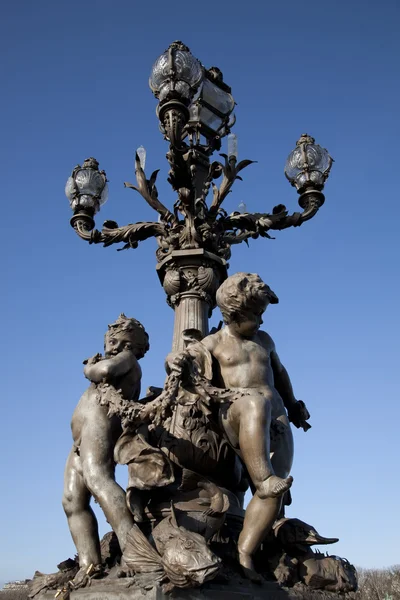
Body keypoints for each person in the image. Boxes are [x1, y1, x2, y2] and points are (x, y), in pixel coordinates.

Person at [179, 273, 310, 582]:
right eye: (256, 315)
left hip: (275, 420)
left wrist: (293, 406)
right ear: (234, 315)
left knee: (274, 492)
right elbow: (191, 369)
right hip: (239, 415)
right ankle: (262, 479)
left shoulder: (264, 341)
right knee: (254, 403)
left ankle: (248, 553)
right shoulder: (212, 344)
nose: (261, 322)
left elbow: (280, 374)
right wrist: (180, 361)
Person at [62, 314, 149, 581]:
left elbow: (104, 372)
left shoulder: (127, 359)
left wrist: (89, 368)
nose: (110, 338)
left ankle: (134, 550)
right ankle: (89, 564)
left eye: (118, 335)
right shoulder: (116, 357)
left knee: (98, 479)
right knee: (71, 500)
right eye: (108, 335)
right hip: (81, 438)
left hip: (101, 425)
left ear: (131, 343)